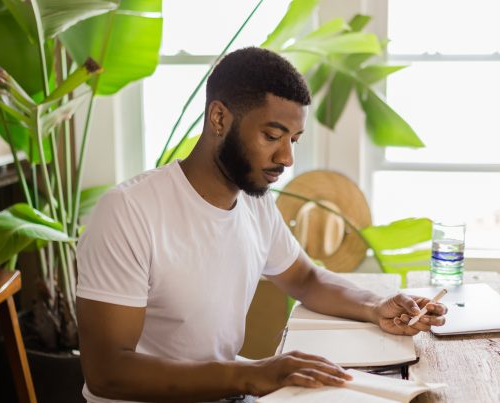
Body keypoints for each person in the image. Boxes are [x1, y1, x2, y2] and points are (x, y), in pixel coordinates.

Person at [76, 47, 447, 403]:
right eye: (271, 136)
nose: (286, 158)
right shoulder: (128, 211)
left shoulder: (255, 205)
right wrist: (251, 375)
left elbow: (305, 279)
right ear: (219, 118)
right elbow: (108, 371)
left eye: (294, 140)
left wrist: (376, 305)